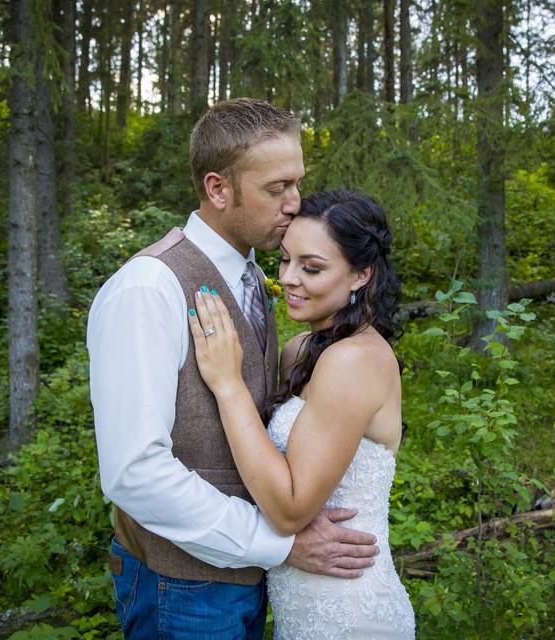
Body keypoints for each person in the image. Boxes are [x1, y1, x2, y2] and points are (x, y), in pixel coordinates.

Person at [87, 100, 379, 639]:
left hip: (249, 578)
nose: (296, 204)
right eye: (276, 189)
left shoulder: (254, 280)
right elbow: (134, 473)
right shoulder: (148, 289)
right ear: (219, 189)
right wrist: (279, 543)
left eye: (297, 184)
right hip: (181, 586)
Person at [189, 190, 416, 639]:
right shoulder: (300, 350)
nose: (289, 279)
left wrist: (228, 384)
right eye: (285, 260)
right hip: (299, 607)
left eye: (311, 267)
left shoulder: (356, 359)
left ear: (361, 274)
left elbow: (290, 510)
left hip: (349, 612)